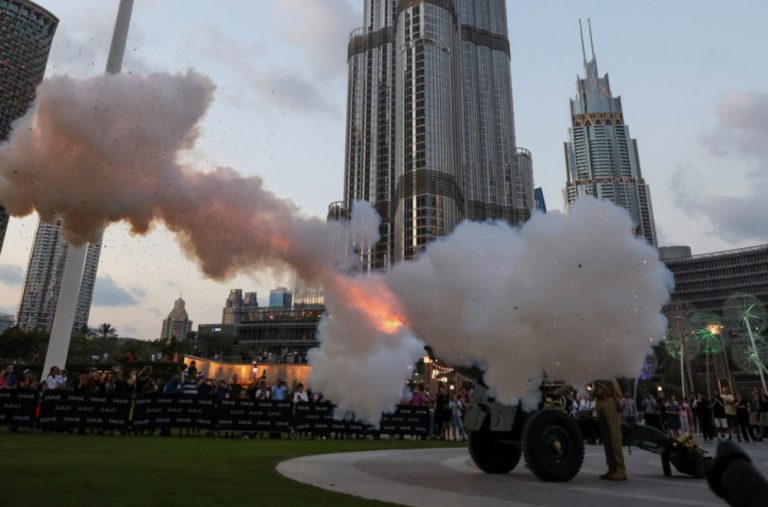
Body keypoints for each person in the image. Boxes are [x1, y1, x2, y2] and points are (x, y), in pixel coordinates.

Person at [594, 379, 627, 481]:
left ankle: (620, 470)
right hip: (599, 401)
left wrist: (618, 401)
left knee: (614, 437)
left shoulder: (605, 367)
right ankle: (612, 469)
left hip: (609, 400)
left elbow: (614, 383)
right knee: (606, 439)